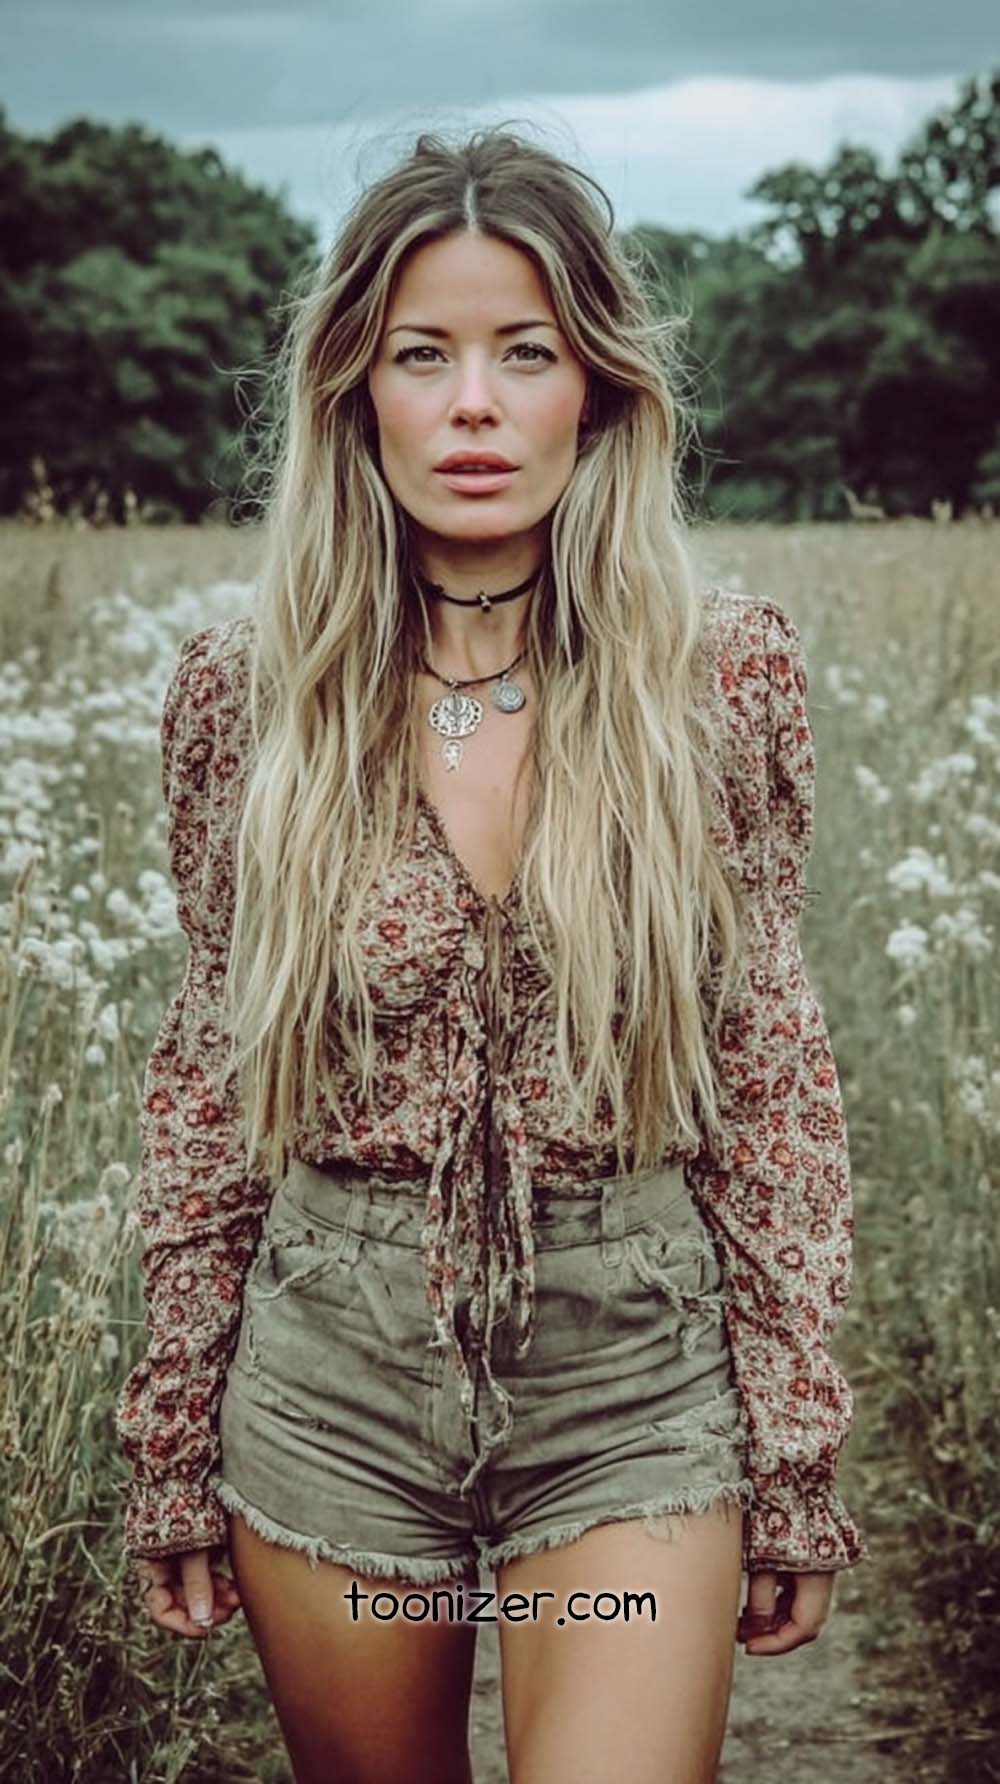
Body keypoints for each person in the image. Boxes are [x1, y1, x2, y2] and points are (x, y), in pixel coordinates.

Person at [115, 124, 869, 1783]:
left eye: (524, 353)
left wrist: (795, 1444)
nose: (473, 403)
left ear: (594, 391)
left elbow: (769, 1068)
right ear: (353, 393)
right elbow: (208, 1074)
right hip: (330, 1390)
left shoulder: (720, 681)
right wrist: (172, 1429)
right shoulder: (246, 697)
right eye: (422, 355)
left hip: (630, 1394)